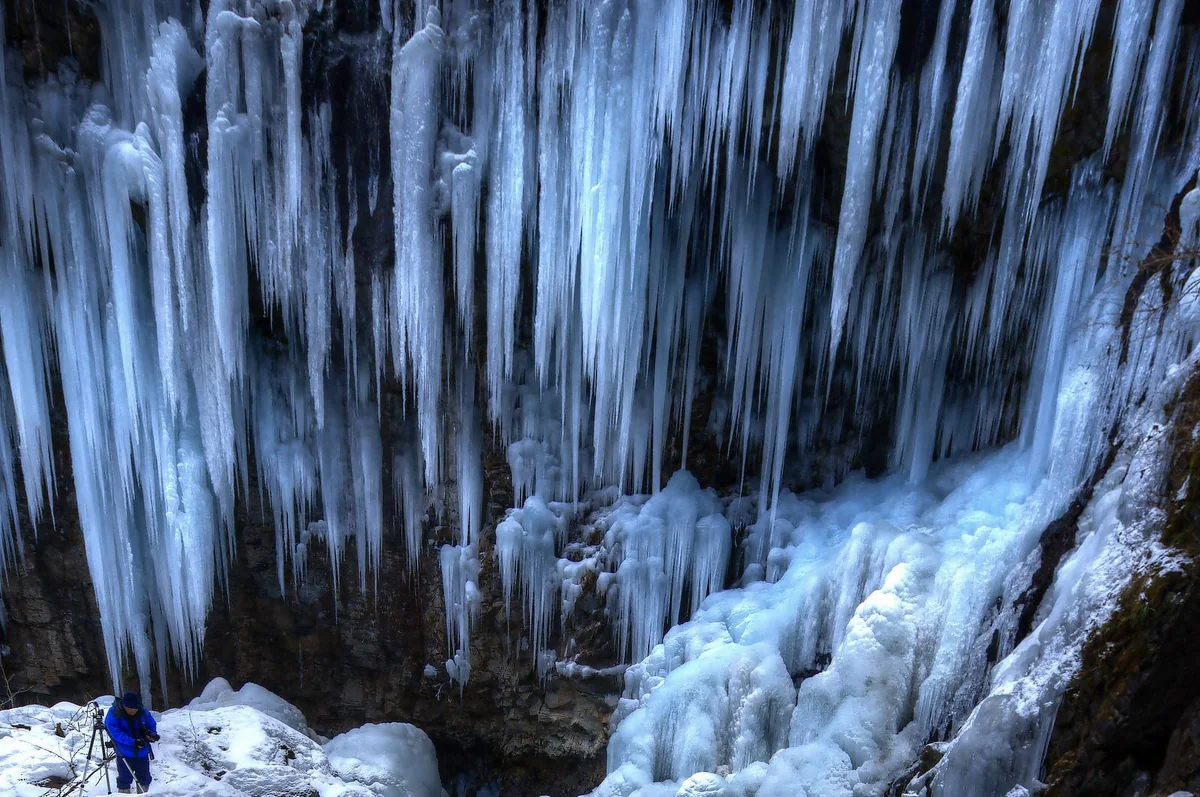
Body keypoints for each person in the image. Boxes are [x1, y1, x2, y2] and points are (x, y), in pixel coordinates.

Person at [104, 691, 159, 794]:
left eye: (135, 708)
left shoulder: (143, 712)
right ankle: (124, 794)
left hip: (142, 752)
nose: (133, 711)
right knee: (124, 780)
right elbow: (115, 732)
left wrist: (151, 734)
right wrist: (132, 742)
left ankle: (143, 794)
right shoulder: (114, 713)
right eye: (131, 709)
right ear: (125, 705)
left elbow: (151, 724)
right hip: (124, 753)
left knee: (144, 778)